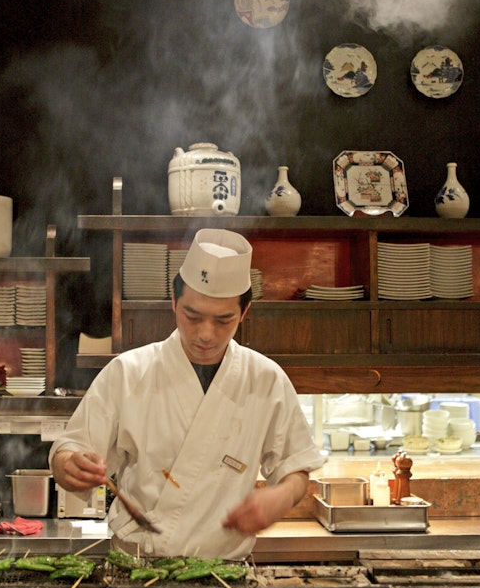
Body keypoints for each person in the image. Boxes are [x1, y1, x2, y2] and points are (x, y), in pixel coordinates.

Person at [49, 228, 325, 559]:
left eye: (224, 321)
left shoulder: (265, 380)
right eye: (192, 316)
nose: (206, 334)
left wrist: (280, 497)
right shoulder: (128, 373)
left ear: (244, 313)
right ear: (174, 302)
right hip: (136, 566)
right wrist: (70, 467)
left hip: (223, 571)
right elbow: (70, 451)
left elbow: (295, 468)